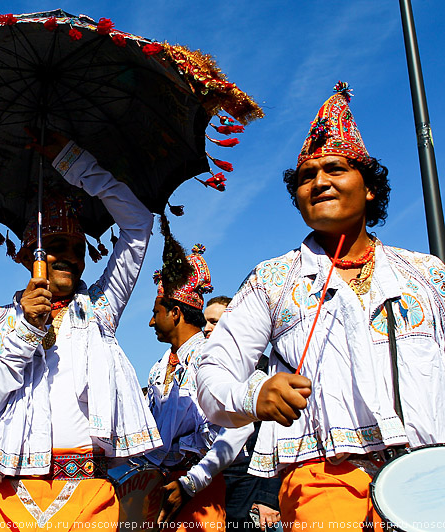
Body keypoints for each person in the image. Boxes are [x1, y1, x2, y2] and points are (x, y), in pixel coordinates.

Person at [197, 82, 445, 526]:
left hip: (432, 484)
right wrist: (255, 394)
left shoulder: (427, 275)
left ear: (369, 189)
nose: (320, 182)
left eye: (335, 168)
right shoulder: (271, 281)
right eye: (307, 177)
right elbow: (212, 377)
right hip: (323, 485)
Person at [0, 134, 161, 529]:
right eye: (56, 244)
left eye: (77, 249)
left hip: (83, 493)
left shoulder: (100, 308)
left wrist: (75, 163)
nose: (67, 256)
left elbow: (138, 224)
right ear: (30, 254)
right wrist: (25, 330)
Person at [146, 244, 252, 528]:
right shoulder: (158, 369)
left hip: (200, 492)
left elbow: (238, 427)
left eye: (156, 313)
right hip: (159, 491)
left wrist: (192, 482)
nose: (150, 322)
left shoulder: (211, 358)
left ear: (176, 313)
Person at [204, 296, 281, 530]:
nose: (206, 328)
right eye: (205, 322)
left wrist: (268, 496)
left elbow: (275, 433)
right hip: (214, 480)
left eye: (214, 322)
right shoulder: (205, 372)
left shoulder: (265, 370)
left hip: (249, 483)